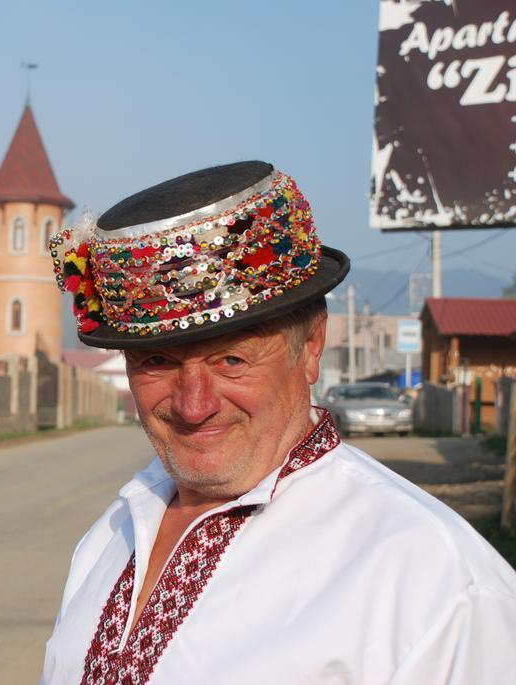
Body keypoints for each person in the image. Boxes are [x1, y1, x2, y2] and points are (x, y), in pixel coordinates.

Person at [40, 162, 516, 684]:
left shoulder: (434, 581)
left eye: (232, 361)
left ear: (311, 344)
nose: (193, 405)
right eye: (158, 362)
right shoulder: (115, 531)